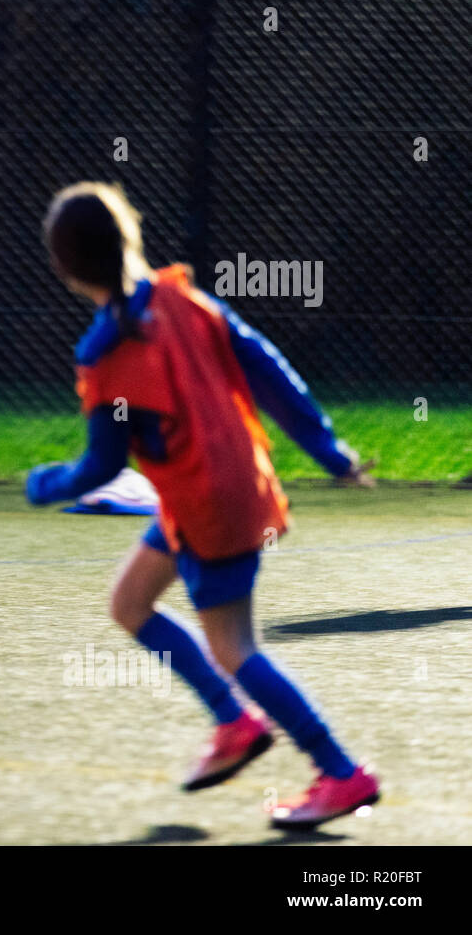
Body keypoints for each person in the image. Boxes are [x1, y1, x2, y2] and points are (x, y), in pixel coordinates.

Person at [27, 181, 380, 830]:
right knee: (130, 603)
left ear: (63, 268)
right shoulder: (184, 298)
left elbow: (101, 466)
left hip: (206, 507)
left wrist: (46, 483)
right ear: (130, 236)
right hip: (227, 485)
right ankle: (234, 722)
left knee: (235, 647)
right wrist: (330, 451)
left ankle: (339, 772)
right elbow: (269, 370)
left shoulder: (103, 355)